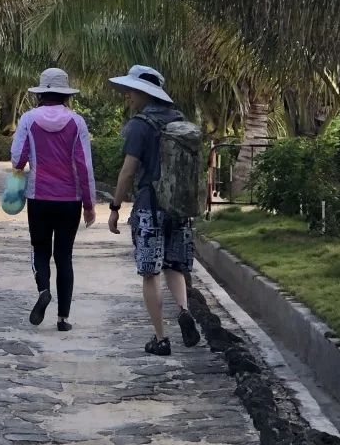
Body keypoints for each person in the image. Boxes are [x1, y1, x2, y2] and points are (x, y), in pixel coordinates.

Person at [106, 64, 202, 355]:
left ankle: (160, 338)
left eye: (130, 92)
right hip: (178, 208)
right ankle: (184, 311)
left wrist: (115, 207)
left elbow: (127, 172)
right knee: (174, 266)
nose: (127, 97)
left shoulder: (140, 125)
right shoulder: (179, 121)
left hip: (149, 206)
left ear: (144, 93)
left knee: (151, 273)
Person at [11, 67, 96, 331]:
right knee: (64, 256)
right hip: (70, 200)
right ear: (66, 95)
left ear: (41, 94)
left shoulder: (28, 119)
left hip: (38, 197)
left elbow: (17, 158)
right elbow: (84, 166)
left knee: (40, 250)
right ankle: (63, 318)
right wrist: (89, 205)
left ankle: (43, 291)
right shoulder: (77, 122)